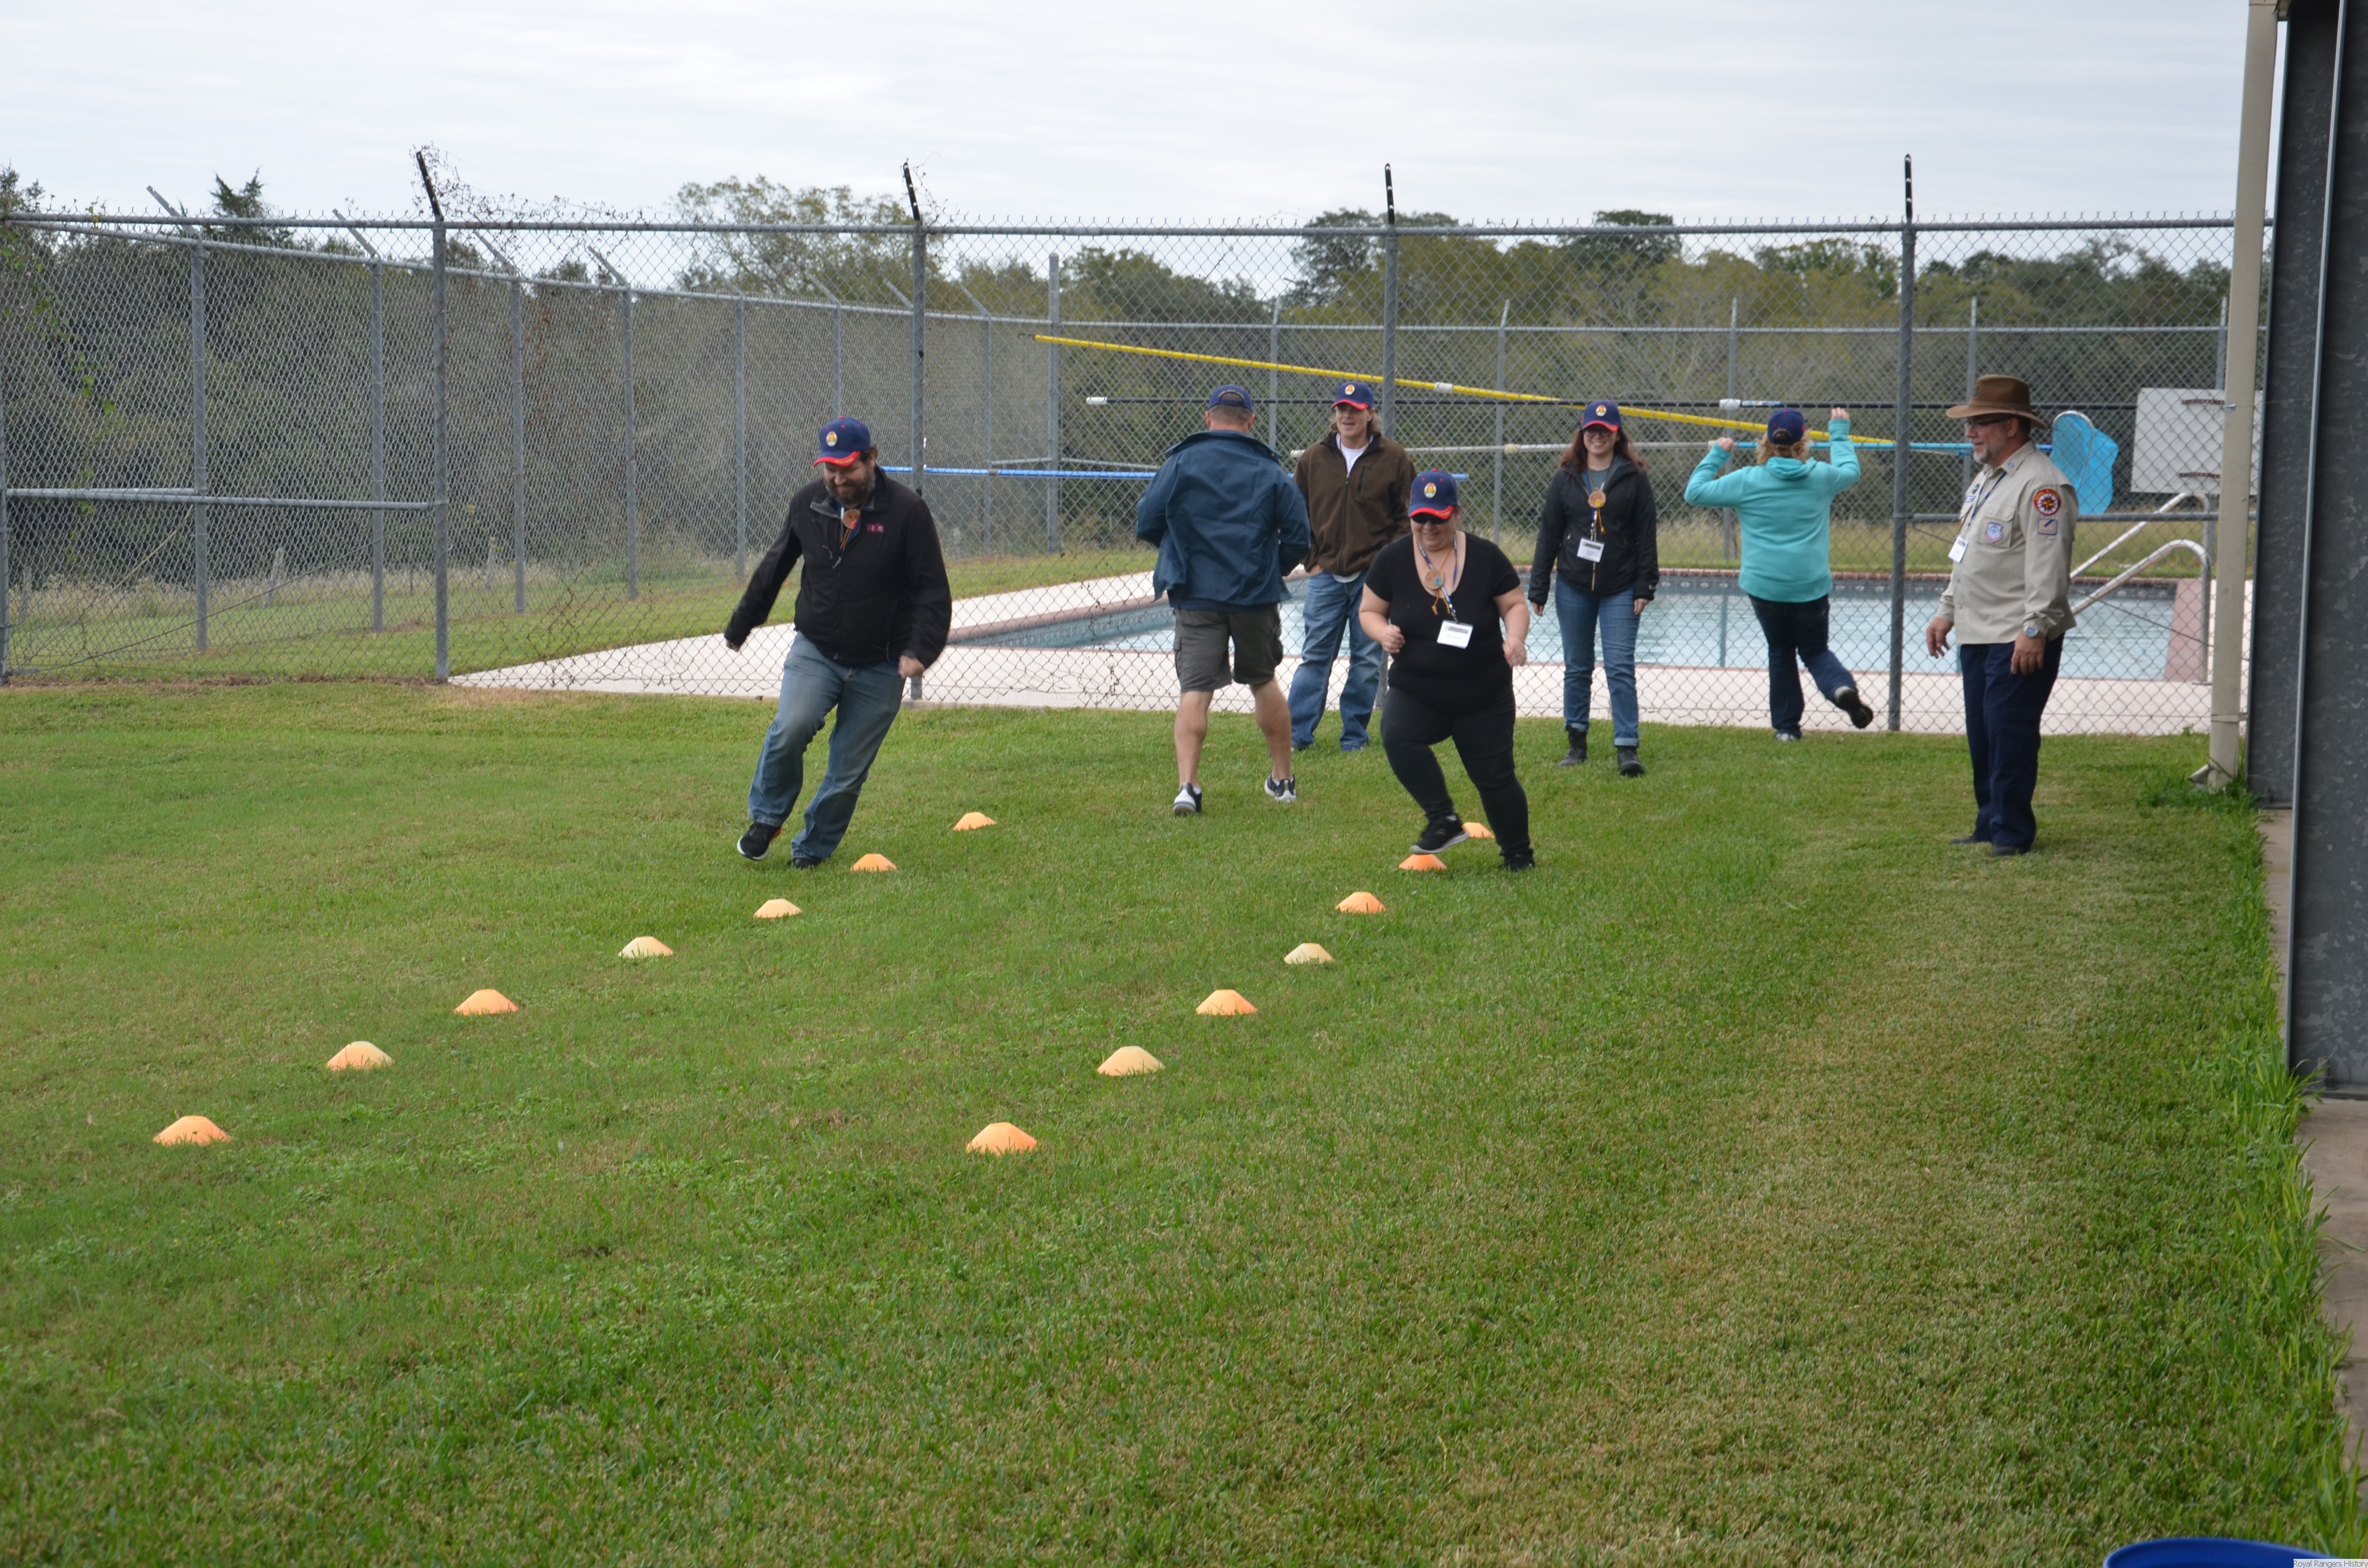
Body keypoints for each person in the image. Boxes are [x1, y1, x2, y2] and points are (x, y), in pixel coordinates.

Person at [726, 417, 951, 868]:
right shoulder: (809, 503)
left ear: (872, 460)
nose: (838, 479)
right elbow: (775, 566)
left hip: (882, 662)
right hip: (817, 650)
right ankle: (767, 818)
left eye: (848, 468)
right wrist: (742, 624)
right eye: (831, 468)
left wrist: (920, 650)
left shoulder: (907, 512)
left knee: (847, 771)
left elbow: (932, 590)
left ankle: (812, 850)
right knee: (790, 728)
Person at [1136, 385, 1313, 815]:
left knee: (1195, 689)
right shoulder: (1270, 470)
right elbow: (1299, 537)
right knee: (1263, 680)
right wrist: (1270, 567)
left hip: (1196, 593)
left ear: (1208, 418)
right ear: (1250, 422)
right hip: (1253, 595)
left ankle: (1188, 787)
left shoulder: (1181, 462)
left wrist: (1180, 547)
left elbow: (1147, 520)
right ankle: (1283, 780)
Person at [1923, 375, 2078, 857]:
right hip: (1977, 630)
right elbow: (1967, 552)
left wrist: (2035, 629)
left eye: (1980, 423)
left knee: (2010, 733)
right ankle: (1989, 822)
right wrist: (1946, 610)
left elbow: (2048, 566)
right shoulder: (1988, 479)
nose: (1970, 432)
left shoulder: (2042, 485)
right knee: (1984, 733)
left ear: (2012, 426)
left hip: (2017, 633)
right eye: (1969, 423)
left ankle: (2012, 831)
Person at [1359, 471, 1535, 870]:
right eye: (1420, 518)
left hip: (1483, 693)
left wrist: (1515, 639)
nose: (1428, 527)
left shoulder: (1487, 557)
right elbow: (1369, 610)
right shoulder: (1393, 558)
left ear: (1456, 513)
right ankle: (1443, 819)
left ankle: (1518, 855)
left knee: (1495, 777)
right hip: (1417, 690)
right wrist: (1382, 632)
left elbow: (1514, 605)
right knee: (1397, 735)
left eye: (1438, 518)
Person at [1683, 406, 1877, 740]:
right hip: (1809, 585)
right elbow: (1850, 471)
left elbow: (1695, 492)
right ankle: (1840, 689)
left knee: (1781, 651)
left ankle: (1787, 729)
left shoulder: (1747, 480)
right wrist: (1839, 433)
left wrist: (1717, 455)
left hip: (1765, 587)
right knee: (1815, 651)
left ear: (1766, 443)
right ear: (1804, 442)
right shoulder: (1822, 478)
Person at [1528, 399, 1658, 777]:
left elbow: (1646, 535)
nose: (1598, 436)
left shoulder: (1634, 477)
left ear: (1617, 435)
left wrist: (1645, 585)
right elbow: (1549, 534)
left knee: (1620, 666)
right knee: (1577, 667)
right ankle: (1577, 741)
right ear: (1582, 434)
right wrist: (1539, 586)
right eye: (1592, 430)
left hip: (1622, 586)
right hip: (1573, 585)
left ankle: (1627, 747)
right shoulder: (1566, 477)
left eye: (1605, 431)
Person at [1289, 380, 1414, 753]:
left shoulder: (1394, 459)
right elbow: (1296, 513)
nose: (1347, 416)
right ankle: (1297, 735)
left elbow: (1407, 518)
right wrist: (1311, 560)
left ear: (1369, 414)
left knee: (1367, 660)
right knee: (1315, 657)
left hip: (1372, 580)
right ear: (1335, 414)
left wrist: (1386, 565)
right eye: (1342, 410)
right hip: (1325, 575)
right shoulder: (1314, 458)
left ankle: (1354, 737)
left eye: (1355, 410)